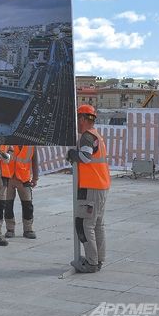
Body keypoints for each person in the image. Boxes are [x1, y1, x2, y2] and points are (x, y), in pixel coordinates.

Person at [67, 104, 111, 273]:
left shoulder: (86, 136)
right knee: (98, 224)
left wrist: (72, 154)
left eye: (78, 118)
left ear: (84, 119)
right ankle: (98, 259)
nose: (77, 122)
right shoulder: (96, 135)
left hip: (91, 186)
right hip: (101, 185)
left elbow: (85, 158)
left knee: (85, 224)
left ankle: (92, 262)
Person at [3, 145, 39, 239]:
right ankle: (10, 229)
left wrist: (35, 178)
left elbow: (34, 161)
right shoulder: (9, 141)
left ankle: (28, 229)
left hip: (24, 179)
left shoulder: (31, 145)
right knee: (8, 205)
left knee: (28, 205)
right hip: (8, 178)